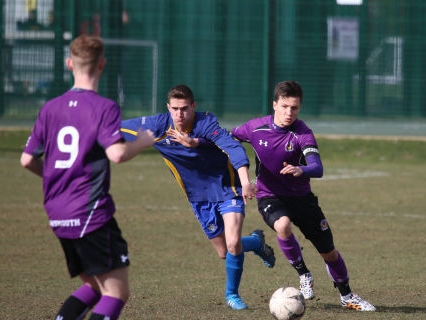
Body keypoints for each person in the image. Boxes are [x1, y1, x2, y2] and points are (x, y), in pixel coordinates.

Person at [20, 34, 156, 320]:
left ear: (69, 63)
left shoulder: (50, 108)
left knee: (93, 286)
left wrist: (56, 178)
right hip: (89, 211)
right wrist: (142, 142)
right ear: (102, 65)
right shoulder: (103, 107)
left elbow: (27, 159)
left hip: (56, 210)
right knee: (116, 293)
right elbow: (117, 154)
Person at [120, 84, 276, 310]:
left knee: (233, 242)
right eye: (175, 109)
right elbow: (112, 127)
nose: (180, 114)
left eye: (184, 108)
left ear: (193, 106)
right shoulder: (157, 126)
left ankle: (232, 295)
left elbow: (233, 147)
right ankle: (256, 242)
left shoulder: (206, 123)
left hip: (227, 187)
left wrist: (244, 182)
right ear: (168, 108)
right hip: (199, 198)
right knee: (225, 252)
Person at [231, 80, 376, 311]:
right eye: (285, 106)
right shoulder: (255, 128)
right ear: (275, 105)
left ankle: (347, 296)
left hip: (302, 198)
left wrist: (302, 169)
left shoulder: (302, 133)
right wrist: (198, 143)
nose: (290, 113)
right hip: (270, 195)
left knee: (328, 251)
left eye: (295, 107)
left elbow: (317, 168)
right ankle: (304, 274)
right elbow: (228, 139)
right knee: (283, 226)